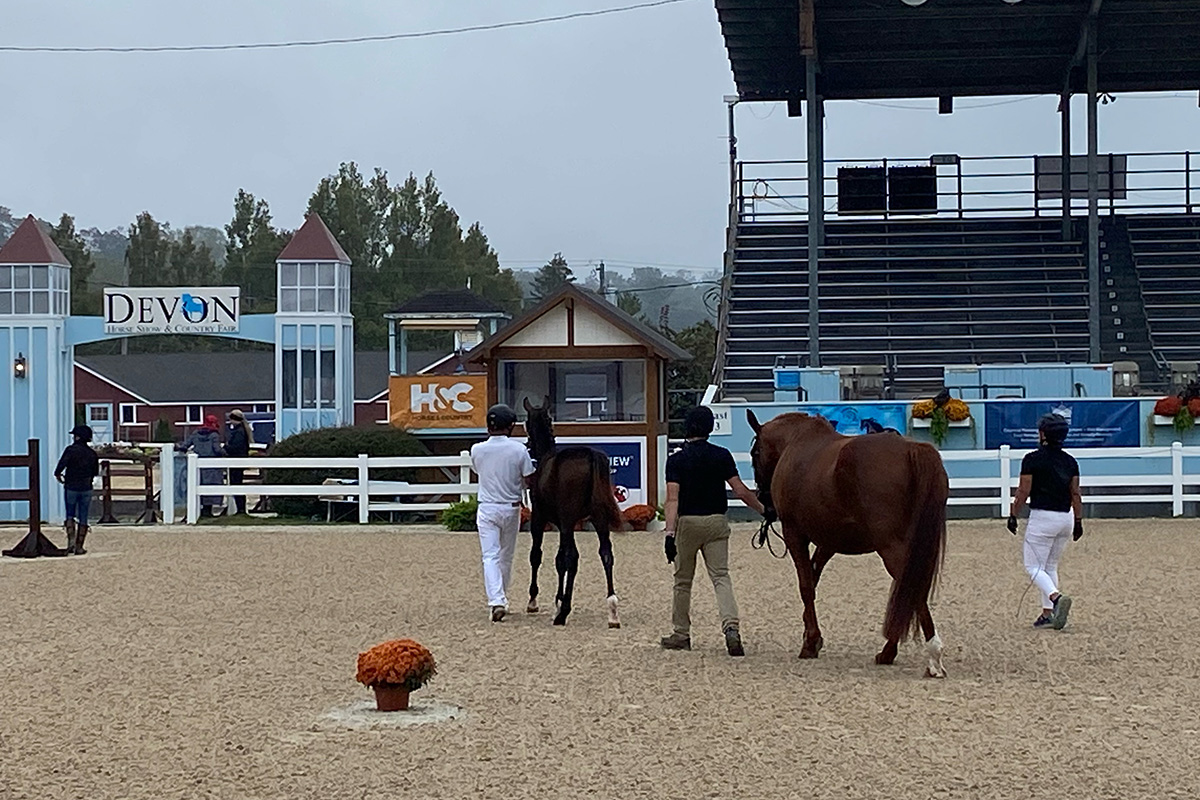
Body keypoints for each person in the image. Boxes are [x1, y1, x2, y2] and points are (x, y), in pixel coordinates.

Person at [660, 405, 765, 656]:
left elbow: (672, 499)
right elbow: (740, 491)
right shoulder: (722, 455)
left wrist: (669, 533)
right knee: (721, 577)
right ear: (711, 428)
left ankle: (681, 633)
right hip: (717, 521)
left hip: (688, 523)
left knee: (683, 581)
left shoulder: (676, 460)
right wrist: (764, 510)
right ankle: (731, 627)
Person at [1007, 413, 1083, 630]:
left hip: (1043, 517)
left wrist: (1013, 514)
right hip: (1065, 518)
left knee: (1033, 566)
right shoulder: (1070, 461)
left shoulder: (1032, 459)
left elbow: (1023, 491)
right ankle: (1047, 614)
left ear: (1042, 434)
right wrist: (1078, 520)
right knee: (1050, 566)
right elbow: (1075, 493)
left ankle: (1055, 598)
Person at [470, 403, 535, 623]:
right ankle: (501, 598)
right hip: (511, 507)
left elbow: (478, 470)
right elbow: (528, 478)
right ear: (511, 426)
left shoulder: (477, 449)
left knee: (489, 556)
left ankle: (497, 600)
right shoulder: (518, 450)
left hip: (487, 507)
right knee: (506, 556)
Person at [55, 424, 99, 555]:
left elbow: (60, 466)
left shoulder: (70, 450)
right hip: (86, 487)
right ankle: (80, 546)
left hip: (71, 486)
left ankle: (71, 543)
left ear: (77, 437)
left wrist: (59, 475)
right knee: (83, 516)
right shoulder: (92, 454)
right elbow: (95, 472)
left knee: (70, 514)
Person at [177, 415, 226, 517]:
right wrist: (225, 453)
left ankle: (199, 510)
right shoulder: (214, 435)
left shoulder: (196, 433)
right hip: (212, 466)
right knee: (212, 487)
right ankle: (208, 510)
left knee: (198, 485)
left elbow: (185, 446)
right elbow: (217, 449)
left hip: (197, 465)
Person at [225, 409, 253, 515]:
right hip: (238, 460)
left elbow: (236, 447)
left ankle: (240, 509)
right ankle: (240, 508)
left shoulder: (239, 432)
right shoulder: (242, 430)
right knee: (237, 482)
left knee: (236, 483)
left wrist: (227, 447)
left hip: (236, 460)